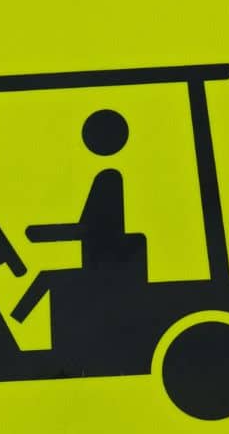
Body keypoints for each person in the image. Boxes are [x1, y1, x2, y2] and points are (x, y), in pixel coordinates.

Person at [11, 109, 143, 322]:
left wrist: (39, 234)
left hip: (107, 263)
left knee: (46, 277)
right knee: (46, 277)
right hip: (101, 258)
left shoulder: (109, 180)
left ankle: (15, 322)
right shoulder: (106, 178)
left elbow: (95, 228)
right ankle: (16, 322)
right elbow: (89, 227)